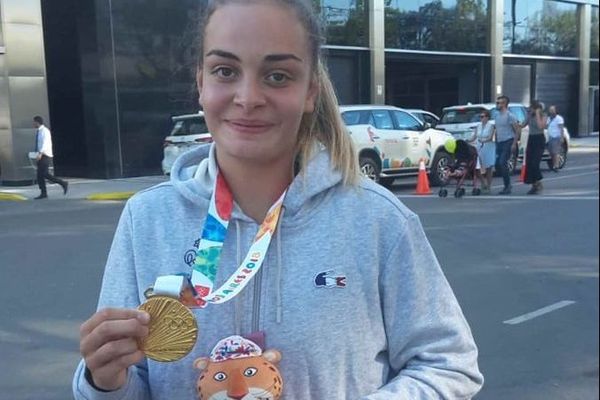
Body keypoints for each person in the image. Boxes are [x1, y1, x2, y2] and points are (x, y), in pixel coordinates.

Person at [73, 1, 483, 399]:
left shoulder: (379, 221)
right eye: (225, 70)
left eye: (277, 76)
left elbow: (448, 365)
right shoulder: (147, 219)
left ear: (310, 92)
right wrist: (105, 381)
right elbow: (127, 382)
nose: (248, 97)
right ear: (201, 83)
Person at [32, 116, 68, 199]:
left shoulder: (44, 131)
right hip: (41, 154)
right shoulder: (39, 131)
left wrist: (40, 153)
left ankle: (63, 183)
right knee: (40, 175)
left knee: (44, 174)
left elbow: (45, 143)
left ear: (37, 122)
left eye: (34, 122)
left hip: (45, 155)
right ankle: (43, 193)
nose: (33, 124)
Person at [493, 95, 520, 195]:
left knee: (502, 162)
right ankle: (507, 183)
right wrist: (495, 141)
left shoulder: (510, 116)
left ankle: (507, 186)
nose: (497, 104)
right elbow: (497, 130)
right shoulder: (497, 116)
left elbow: (517, 130)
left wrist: (514, 143)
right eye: (497, 103)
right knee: (497, 164)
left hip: (508, 141)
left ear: (504, 104)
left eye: (499, 103)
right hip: (499, 142)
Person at [520, 100, 547, 194]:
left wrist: (538, 114)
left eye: (532, 108)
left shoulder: (543, 115)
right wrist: (528, 115)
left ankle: (538, 182)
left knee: (535, 162)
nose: (530, 109)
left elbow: (540, 126)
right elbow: (523, 124)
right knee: (529, 163)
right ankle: (534, 184)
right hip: (531, 139)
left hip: (539, 139)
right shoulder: (530, 116)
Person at [475, 110, 495, 193]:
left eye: (483, 116)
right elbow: (474, 136)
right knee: (477, 166)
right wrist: (468, 140)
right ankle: (483, 182)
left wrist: (484, 141)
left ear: (487, 117)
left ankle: (489, 186)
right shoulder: (478, 126)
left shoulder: (491, 126)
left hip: (488, 146)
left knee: (488, 168)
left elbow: (490, 137)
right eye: (480, 117)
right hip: (479, 146)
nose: (481, 118)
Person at [546, 105, 565, 172]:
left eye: (552, 110)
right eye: (550, 110)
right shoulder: (548, 118)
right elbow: (546, 126)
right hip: (550, 137)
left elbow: (561, 128)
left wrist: (562, 137)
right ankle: (554, 164)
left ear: (555, 111)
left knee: (555, 152)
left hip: (556, 137)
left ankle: (556, 166)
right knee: (551, 152)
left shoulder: (559, 118)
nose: (551, 111)